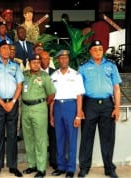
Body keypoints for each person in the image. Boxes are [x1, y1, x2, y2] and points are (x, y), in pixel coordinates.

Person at [78, 40, 121, 178]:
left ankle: (109, 168)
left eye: (100, 49)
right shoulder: (83, 67)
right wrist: (80, 110)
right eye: (95, 49)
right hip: (89, 104)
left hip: (107, 105)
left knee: (108, 139)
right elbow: (79, 91)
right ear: (90, 52)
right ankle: (84, 168)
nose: (98, 51)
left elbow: (116, 88)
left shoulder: (111, 65)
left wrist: (117, 108)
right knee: (86, 138)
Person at [0, 40, 24, 178]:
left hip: (12, 104)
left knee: (13, 136)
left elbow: (19, 85)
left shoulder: (16, 67)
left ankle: (13, 166)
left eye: (9, 48)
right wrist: (3, 104)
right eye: (4, 48)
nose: (7, 51)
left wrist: (12, 102)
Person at [49, 50, 85, 178]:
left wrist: (78, 115)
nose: (64, 60)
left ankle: (70, 168)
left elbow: (79, 95)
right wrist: (51, 115)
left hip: (71, 106)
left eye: (66, 58)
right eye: (61, 58)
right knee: (59, 138)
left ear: (68, 60)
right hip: (58, 107)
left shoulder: (76, 75)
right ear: (57, 60)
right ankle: (61, 166)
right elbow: (52, 98)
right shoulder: (53, 76)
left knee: (72, 139)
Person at [21, 54, 55, 178]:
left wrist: (43, 104)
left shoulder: (45, 76)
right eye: (33, 62)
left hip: (39, 109)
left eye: (38, 62)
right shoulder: (24, 75)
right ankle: (32, 165)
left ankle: (41, 168)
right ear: (29, 63)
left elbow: (51, 94)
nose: (36, 64)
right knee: (28, 138)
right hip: (25, 108)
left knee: (40, 139)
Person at [39, 50, 57, 170]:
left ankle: (54, 160)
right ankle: (39, 161)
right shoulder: (35, 73)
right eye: (42, 59)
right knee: (40, 136)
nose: (45, 61)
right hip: (39, 109)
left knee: (53, 135)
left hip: (53, 108)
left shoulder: (55, 73)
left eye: (47, 59)